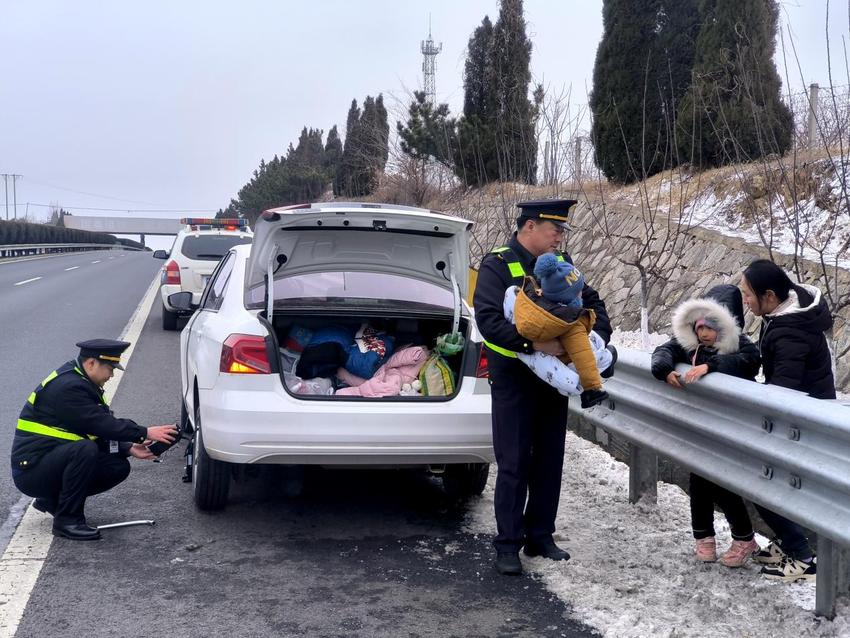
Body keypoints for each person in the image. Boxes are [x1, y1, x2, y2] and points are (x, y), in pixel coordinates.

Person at [472, 199, 611, 576]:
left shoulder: (562, 264)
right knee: (514, 462)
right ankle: (507, 544)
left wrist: (593, 342)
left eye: (562, 231)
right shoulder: (497, 264)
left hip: (553, 385)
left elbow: (593, 302)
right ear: (530, 226)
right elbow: (487, 321)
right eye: (556, 229)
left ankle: (540, 536)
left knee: (549, 462)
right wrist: (534, 346)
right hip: (514, 380)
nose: (560, 237)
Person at [11, 339, 178, 541]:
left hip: (49, 460)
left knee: (116, 466)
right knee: (84, 450)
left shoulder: (81, 381)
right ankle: (67, 521)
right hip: (31, 471)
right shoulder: (69, 387)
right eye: (109, 368)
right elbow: (99, 424)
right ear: (91, 363)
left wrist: (128, 448)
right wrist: (144, 432)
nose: (111, 375)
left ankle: (52, 500)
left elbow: (92, 431)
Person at [651, 284, 761, 567]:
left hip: (729, 426)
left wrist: (712, 366)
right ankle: (704, 538)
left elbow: (748, 361)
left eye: (711, 326)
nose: (703, 333)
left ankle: (744, 537)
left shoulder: (742, 346)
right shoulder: (690, 347)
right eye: (699, 326)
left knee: (719, 480)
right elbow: (663, 350)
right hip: (700, 425)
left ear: (727, 324)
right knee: (698, 480)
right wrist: (664, 370)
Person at [741, 259, 834, 582]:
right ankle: (790, 544)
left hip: (805, 424)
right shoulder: (784, 316)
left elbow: (783, 391)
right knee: (760, 478)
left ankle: (803, 556)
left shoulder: (791, 332)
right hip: (805, 417)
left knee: (760, 478)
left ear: (769, 296)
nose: (745, 301)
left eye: (748, 295)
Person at [512, 251, 609, 408]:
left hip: (530, 371)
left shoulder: (534, 307)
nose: (581, 294)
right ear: (569, 297)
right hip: (567, 364)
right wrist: (592, 388)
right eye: (579, 291)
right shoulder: (571, 322)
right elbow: (583, 357)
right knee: (600, 354)